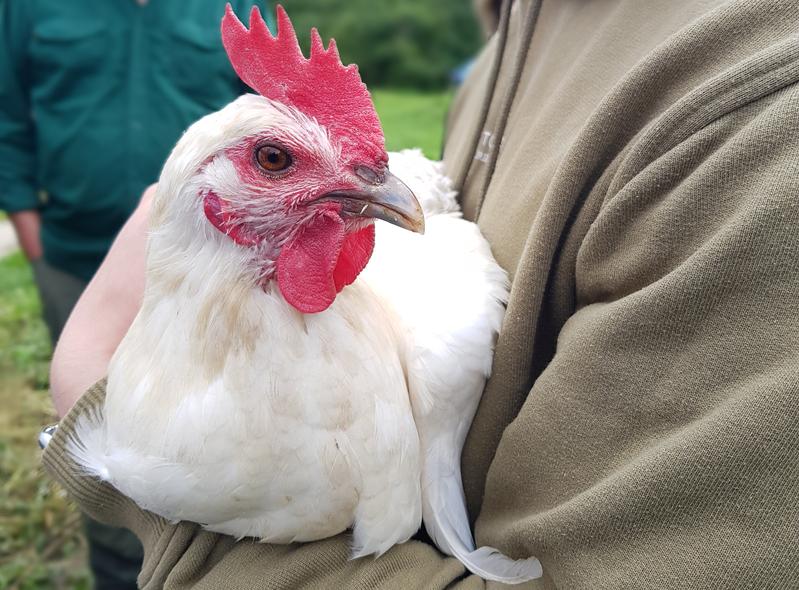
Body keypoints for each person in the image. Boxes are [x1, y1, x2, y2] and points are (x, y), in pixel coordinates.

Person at [43, 0, 799, 587]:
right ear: (206, 200)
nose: (381, 188)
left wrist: (98, 403)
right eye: (276, 159)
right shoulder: (519, 25)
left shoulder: (758, 115)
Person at [0, 1, 271, 587]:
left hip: (206, 270)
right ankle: (119, 563)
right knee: (94, 421)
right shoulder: (25, 7)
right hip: (73, 252)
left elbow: (272, 116)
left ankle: (207, 559)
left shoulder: (232, 7)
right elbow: (9, 114)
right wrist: (27, 224)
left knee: (207, 423)